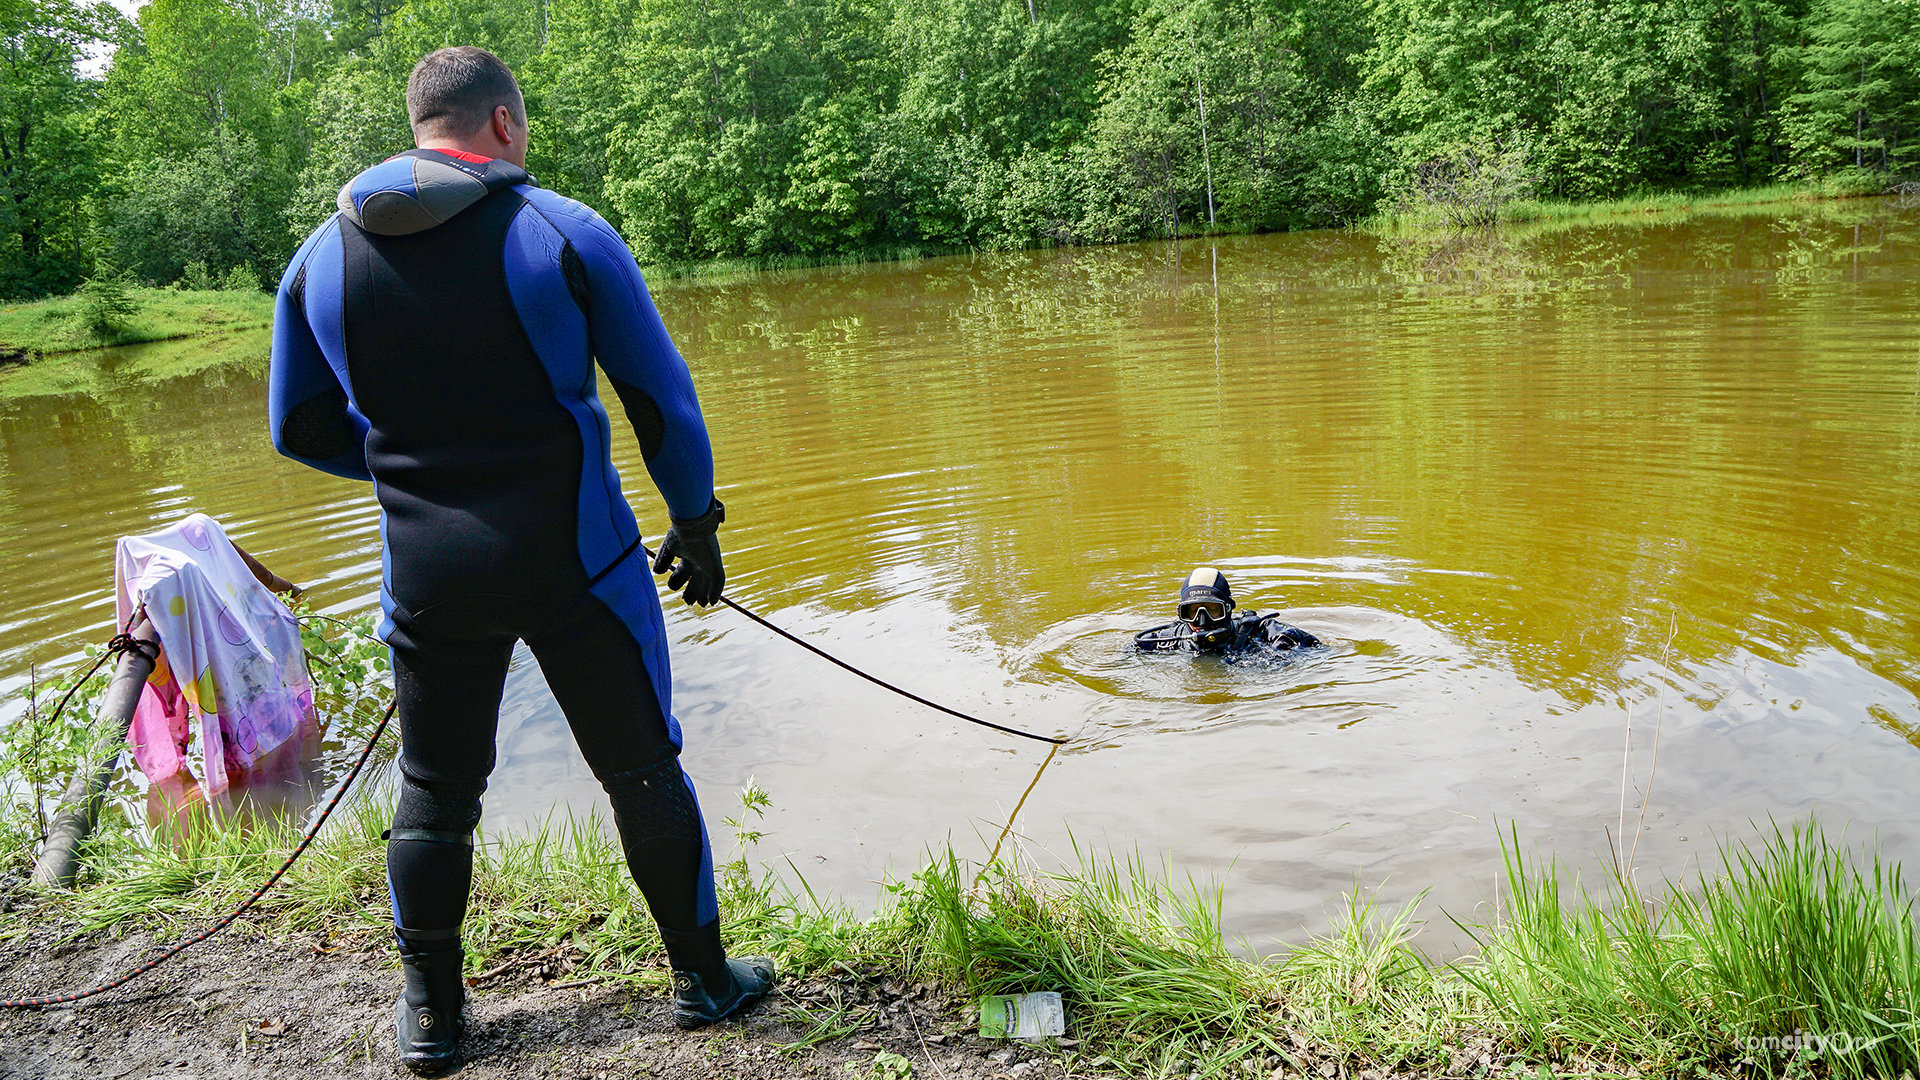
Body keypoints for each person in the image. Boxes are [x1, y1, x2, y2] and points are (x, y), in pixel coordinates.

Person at [267, 46, 772, 1072]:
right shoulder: (563, 231)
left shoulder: (317, 260)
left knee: (436, 791)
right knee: (640, 769)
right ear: (503, 124)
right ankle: (703, 982)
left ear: (420, 124)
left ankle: (432, 1021)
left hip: (426, 572)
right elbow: (661, 401)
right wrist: (697, 523)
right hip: (577, 560)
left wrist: (418, 477)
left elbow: (298, 428)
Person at [1133, 567, 1321, 656]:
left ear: (1229, 608)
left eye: (1213, 610)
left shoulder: (1256, 633)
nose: (1202, 621)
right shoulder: (1169, 640)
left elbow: (1318, 650)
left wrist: (1285, 648)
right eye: (1191, 612)